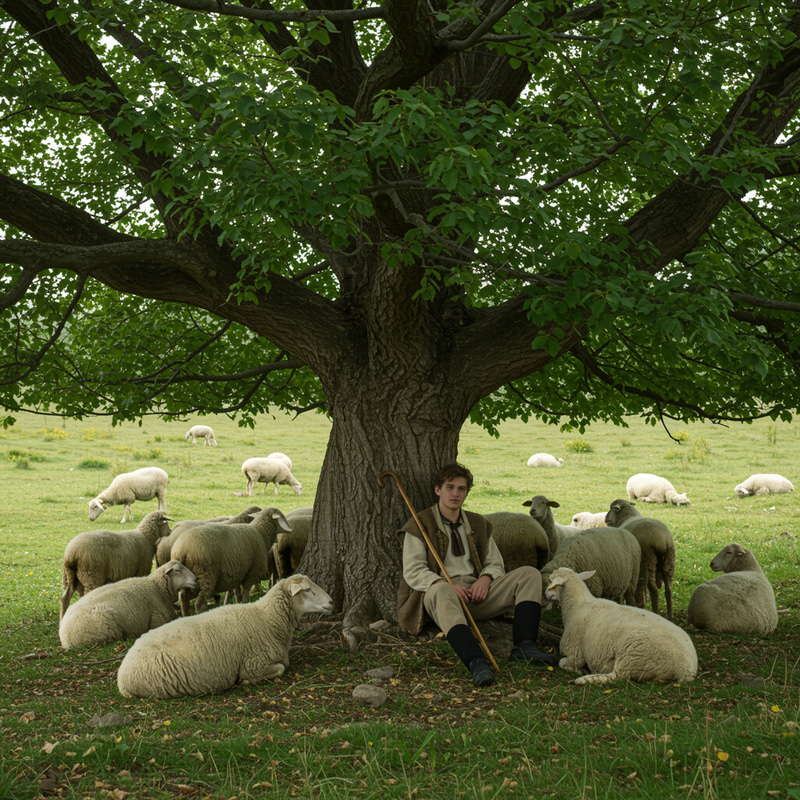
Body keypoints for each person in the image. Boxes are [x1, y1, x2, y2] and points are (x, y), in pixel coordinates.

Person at [397, 462, 555, 686]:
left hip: (477, 594)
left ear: (467, 493)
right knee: (441, 592)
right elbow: (413, 570)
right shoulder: (420, 524)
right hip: (442, 597)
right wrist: (445, 584)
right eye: (450, 487)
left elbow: (495, 563)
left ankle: (525, 646)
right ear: (438, 490)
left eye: (461, 489)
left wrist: (485, 578)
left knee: (529, 574)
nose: (455, 493)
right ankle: (476, 662)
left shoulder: (478, 523)